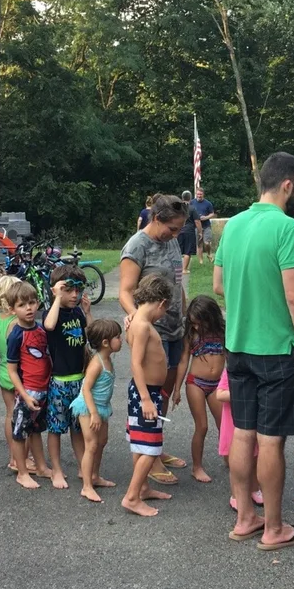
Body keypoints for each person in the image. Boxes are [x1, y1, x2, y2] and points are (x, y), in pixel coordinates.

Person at [214, 151, 294, 550]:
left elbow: (218, 285)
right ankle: (273, 528)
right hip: (276, 349)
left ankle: (246, 519)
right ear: (287, 184)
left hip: (237, 346)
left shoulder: (233, 225)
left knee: (242, 432)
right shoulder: (286, 227)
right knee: (271, 441)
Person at [119, 194, 189, 485]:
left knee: (163, 392)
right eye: (171, 228)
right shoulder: (137, 245)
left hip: (174, 327)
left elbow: (176, 282)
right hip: (152, 331)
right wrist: (139, 319)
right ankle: (151, 455)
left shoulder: (170, 240)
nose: (175, 235)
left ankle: (155, 447)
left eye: (179, 230)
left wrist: (186, 314)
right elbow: (125, 291)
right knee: (149, 395)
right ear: (156, 218)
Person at [123, 274, 174, 517]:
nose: (163, 315)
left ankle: (142, 488)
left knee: (139, 442)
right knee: (150, 446)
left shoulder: (136, 321)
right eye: (165, 310)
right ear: (161, 303)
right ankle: (132, 497)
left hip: (145, 391)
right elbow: (135, 364)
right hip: (146, 393)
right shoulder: (143, 325)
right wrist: (145, 398)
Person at [44, 265, 92, 489]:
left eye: (78, 289)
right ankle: (57, 470)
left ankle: (84, 468)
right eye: (68, 289)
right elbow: (49, 325)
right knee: (55, 428)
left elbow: (90, 336)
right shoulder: (52, 312)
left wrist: (88, 312)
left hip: (79, 380)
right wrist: (56, 297)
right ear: (58, 289)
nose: (74, 295)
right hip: (59, 382)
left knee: (78, 428)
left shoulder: (77, 312)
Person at [6, 281, 57, 489]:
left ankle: (42, 467)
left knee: (36, 430)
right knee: (20, 433)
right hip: (29, 390)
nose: (28, 308)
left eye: (32, 302)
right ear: (12, 309)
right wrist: (24, 395)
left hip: (45, 389)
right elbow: (11, 370)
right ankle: (22, 472)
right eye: (22, 305)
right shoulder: (16, 335)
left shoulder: (42, 329)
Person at [173, 295, 226, 484]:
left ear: (210, 317)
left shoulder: (223, 331)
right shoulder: (192, 335)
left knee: (225, 425)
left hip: (217, 384)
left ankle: (229, 456)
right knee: (202, 426)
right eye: (193, 323)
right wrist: (177, 389)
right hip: (195, 382)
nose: (195, 327)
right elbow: (183, 361)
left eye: (199, 323)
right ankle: (197, 467)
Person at [71, 318, 122, 503]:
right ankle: (86, 486)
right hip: (88, 407)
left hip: (101, 408)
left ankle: (95, 476)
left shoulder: (106, 357)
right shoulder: (97, 363)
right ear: (106, 342)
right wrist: (93, 413)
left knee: (102, 442)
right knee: (91, 445)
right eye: (118, 336)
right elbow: (86, 389)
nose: (121, 339)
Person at [216, 367, 263, 511]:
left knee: (255, 457)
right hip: (233, 422)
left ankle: (254, 489)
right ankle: (235, 495)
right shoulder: (230, 371)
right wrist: (243, 393)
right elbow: (220, 394)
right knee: (235, 460)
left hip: (252, 420)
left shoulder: (258, 371)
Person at [0, 275, 23, 469]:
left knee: (10, 413)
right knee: (22, 416)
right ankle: (21, 457)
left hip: (3, 370)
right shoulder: (19, 321)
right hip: (20, 373)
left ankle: (13, 456)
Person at [178, 190, 202, 274]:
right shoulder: (192, 208)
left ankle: (176, 268)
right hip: (189, 231)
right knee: (187, 251)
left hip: (179, 231)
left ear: (182, 198)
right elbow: (197, 221)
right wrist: (200, 232)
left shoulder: (178, 208)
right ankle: (184, 269)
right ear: (190, 198)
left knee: (178, 251)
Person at [190, 188, 216, 265]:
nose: (199, 196)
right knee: (199, 244)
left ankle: (209, 253)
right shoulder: (192, 202)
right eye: (198, 194)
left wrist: (206, 217)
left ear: (203, 194)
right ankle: (201, 261)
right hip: (196, 227)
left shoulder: (208, 203)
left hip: (206, 225)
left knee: (207, 242)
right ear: (196, 194)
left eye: (200, 194)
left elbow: (212, 213)